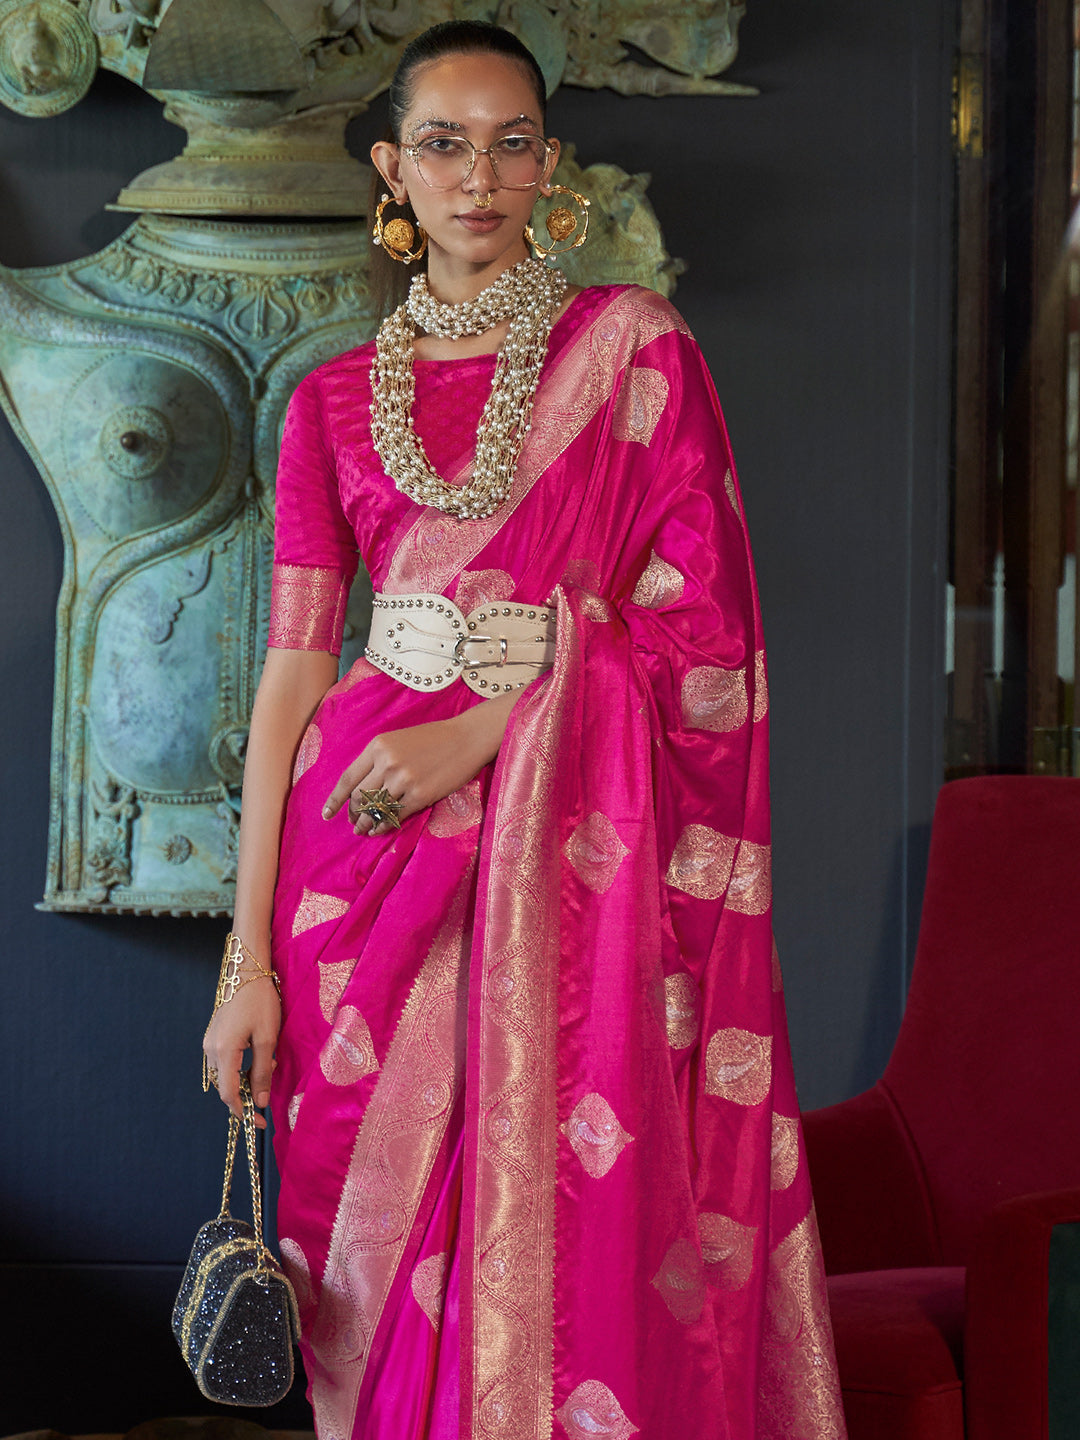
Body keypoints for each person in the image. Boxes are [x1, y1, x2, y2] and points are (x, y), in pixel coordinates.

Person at [202, 20, 847, 1440]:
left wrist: (490, 730)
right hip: (354, 864)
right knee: (363, 1263)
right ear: (391, 168)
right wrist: (245, 960)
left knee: (566, 1216)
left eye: (509, 144)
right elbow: (292, 677)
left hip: (571, 843)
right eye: (443, 144)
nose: (476, 175)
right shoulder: (325, 403)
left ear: (548, 165)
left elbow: (704, 640)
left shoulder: (637, 355)